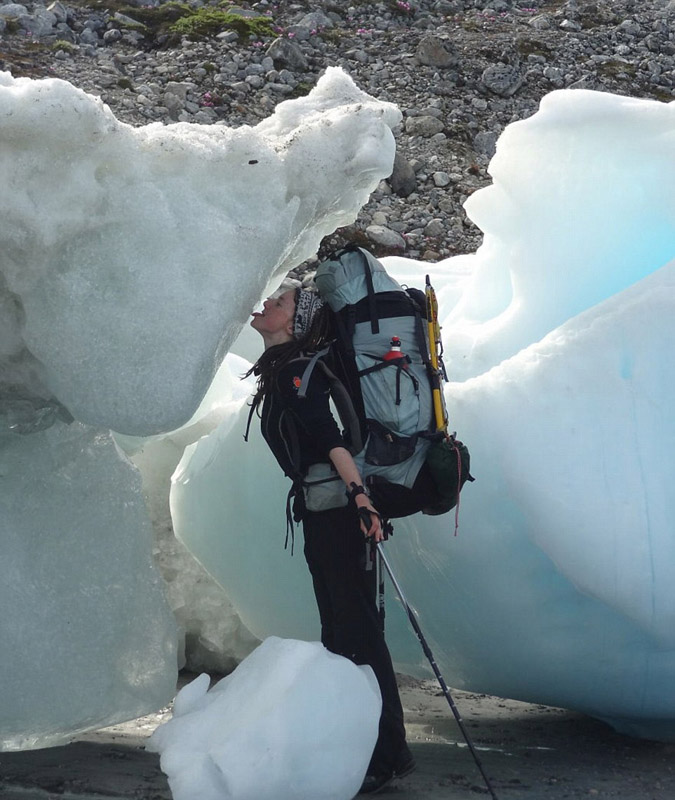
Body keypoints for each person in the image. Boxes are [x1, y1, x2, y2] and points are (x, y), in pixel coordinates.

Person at [247, 286, 416, 795]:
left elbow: (330, 438)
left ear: (294, 322)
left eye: (278, 302)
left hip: (342, 513)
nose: (265, 305)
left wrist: (361, 499)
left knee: (358, 632)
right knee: (343, 633)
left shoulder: (296, 370)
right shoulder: (286, 367)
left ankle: (388, 755)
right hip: (327, 512)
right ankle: (362, 747)